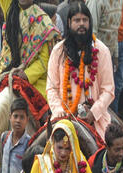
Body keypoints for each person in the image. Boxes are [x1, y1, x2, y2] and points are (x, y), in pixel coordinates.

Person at [46, 2, 115, 139]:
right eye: (77, 20)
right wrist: (59, 110)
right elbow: (51, 88)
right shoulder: (58, 51)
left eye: (85, 20)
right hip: (62, 117)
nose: (81, 24)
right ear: (69, 23)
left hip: (94, 119)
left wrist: (93, 113)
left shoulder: (102, 51)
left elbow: (108, 90)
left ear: (90, 23)